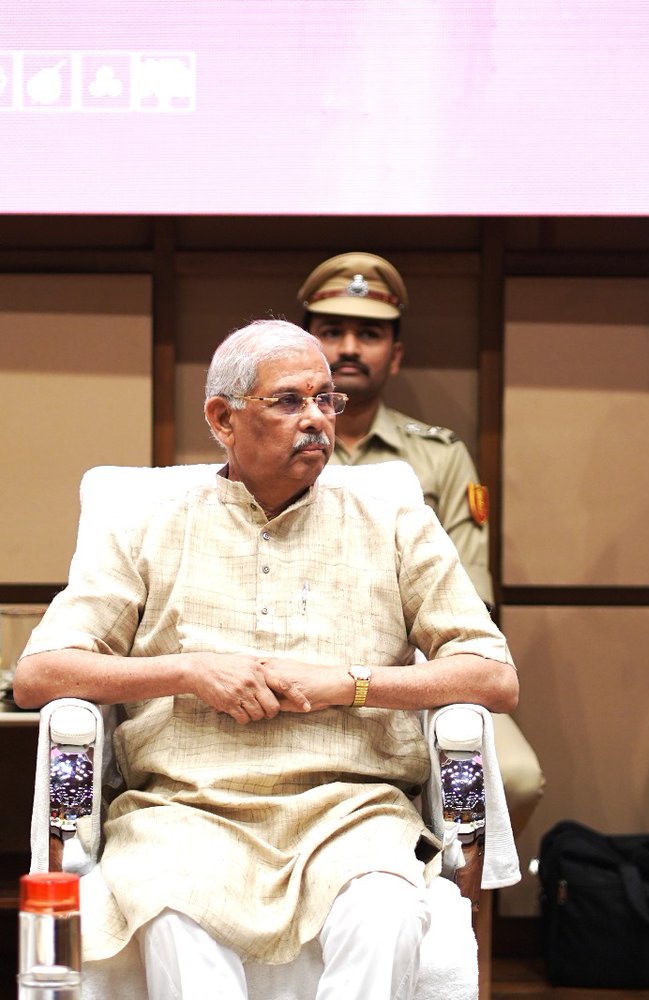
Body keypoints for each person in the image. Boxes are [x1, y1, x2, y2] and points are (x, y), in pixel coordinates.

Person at [13, 319, 519, 999]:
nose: (315, 419)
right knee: (172, 913)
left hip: (352, 809)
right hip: (186, 810)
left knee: (387, 915)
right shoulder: (147, 524)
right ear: (223, 419)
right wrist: (187, 671)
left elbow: (493, 674)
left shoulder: (393, 521)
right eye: (288, 401)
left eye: (325, 401)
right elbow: (39, 674)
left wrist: (352, 684)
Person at [296, 251, 545, 832]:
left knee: (514, 776)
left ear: (396, 353)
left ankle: (461, 915)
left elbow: (472, 600)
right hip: (295, 659)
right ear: (304, 347)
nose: (349, 348)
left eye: (370, 333)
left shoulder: (440, 456)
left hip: (415, 667)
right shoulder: (268, 448)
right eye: (332, 332)